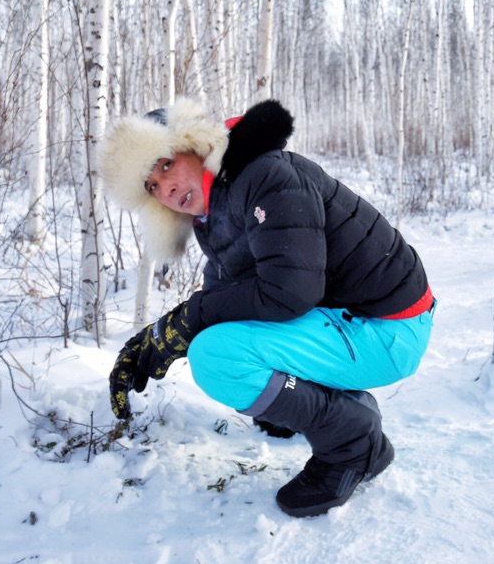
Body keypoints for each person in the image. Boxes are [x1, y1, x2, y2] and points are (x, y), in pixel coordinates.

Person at [98, 98, 434, 517]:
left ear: (193, 144)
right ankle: (327, 412)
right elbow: (225, 296)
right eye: (150, 185)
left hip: (389, 330)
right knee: (209, 336)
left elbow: (290, 291)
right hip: (357, 322)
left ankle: (352, 442)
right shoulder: (220, 204)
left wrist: (188, 322)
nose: (164, 188)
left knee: (216, 356)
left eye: (165, 164)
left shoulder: (264, 174)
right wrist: (159, 339)